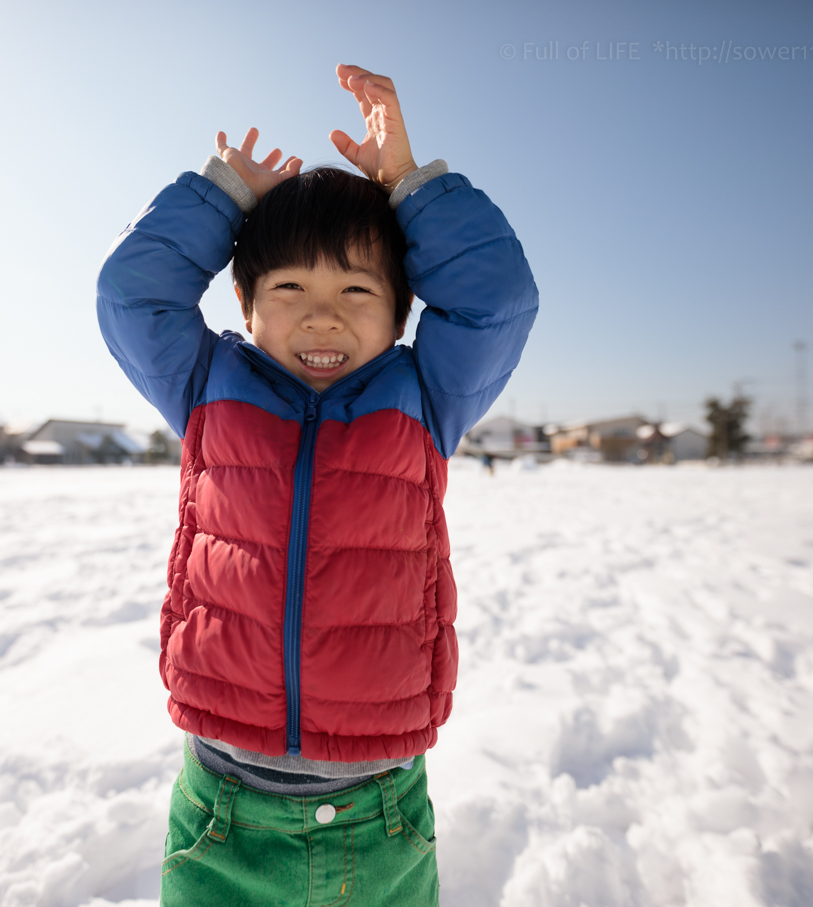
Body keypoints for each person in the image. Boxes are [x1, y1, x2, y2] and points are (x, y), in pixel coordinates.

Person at [97, 63, 538, 905]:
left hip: (379, 813)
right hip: (222, 806)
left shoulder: (425, 398)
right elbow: (131, 295)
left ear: (403, 308)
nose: (322, 316)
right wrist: (221, 194)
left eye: (357, 290)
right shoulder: (207, 387)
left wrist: (408, 186)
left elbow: (497, 301)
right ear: (246, 303)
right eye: (289, 287)